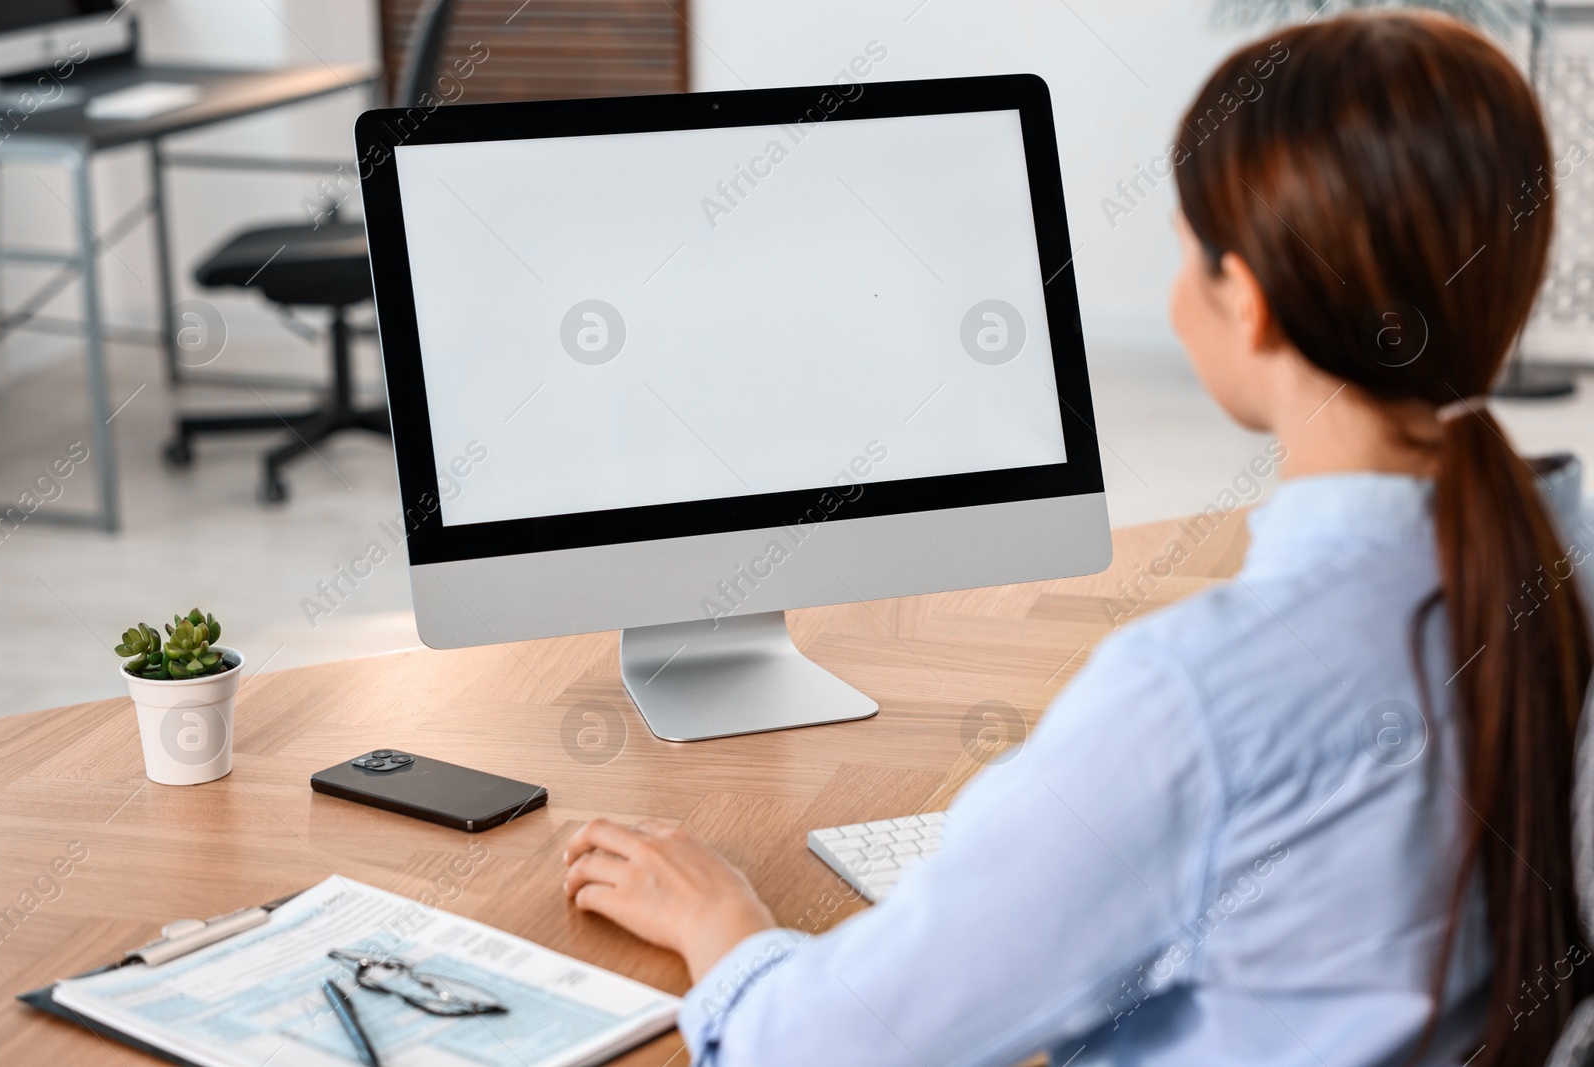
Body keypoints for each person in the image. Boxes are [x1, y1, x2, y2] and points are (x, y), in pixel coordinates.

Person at [562, 12, 1594, 1065]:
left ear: (1246, 300)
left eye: (1189, 250)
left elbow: (827, 1046)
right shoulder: (1566, 561)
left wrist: (724, 927)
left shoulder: (1197, 694)